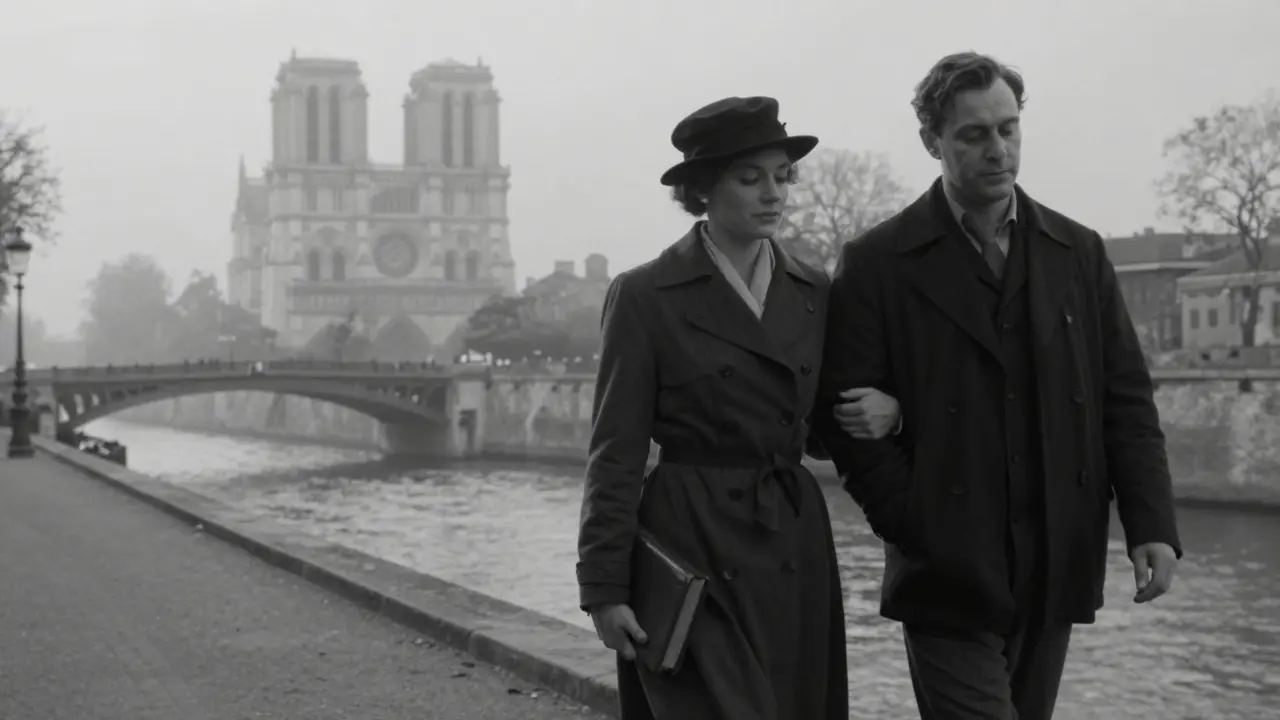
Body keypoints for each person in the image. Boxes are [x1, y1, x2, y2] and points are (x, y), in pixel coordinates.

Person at [812, 52, 1184, 719]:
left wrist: (1150, 523)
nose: (999, 150)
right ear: (933, 141)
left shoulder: (1079, 252)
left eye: (1008, 129)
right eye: (974, 135)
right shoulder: (878, 264)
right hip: (945, 567)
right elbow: (845, 418)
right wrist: (912, 519)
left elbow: (1124, 401)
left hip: (1053, 556)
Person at [575, 96, 901, 720]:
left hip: (789, 534)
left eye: (782, 176)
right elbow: (615, 449)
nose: (772, 193)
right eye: (750, 179)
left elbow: (821, 429)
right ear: (702, 191)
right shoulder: (646, 294)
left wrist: (891, 410)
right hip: (688, 539)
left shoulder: (813, 291)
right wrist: (604, 588)